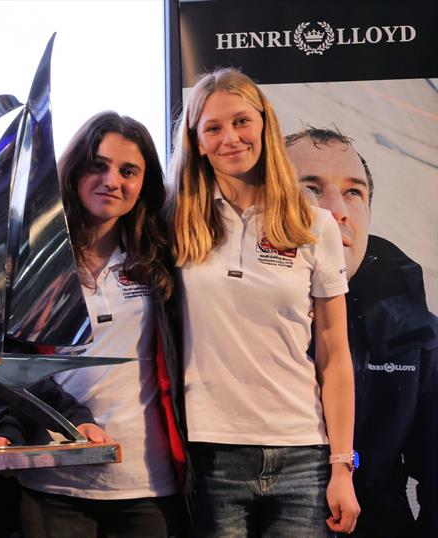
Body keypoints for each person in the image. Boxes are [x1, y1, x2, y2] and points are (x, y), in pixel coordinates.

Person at [167, 67, 360, 536]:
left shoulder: (314, 224)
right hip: (211, 455)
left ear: (264, 125)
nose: (230, 137)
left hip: (302, 453)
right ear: (197, 141)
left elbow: (334, 354)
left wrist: (342, 467)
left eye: (241, 121)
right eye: (213, 127)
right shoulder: (175, 222)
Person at [0, 111, 190, 538]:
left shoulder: (160, 257)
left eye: (128, 171)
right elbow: (0, 365)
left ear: (144, 183)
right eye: (99, 165)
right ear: (75, 171)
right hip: (53, 481)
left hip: (147, 482)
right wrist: (5, 429)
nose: (112, 181)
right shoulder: (29, 260)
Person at [286, 127, 437, 537]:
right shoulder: (221, 319)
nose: (337, 211)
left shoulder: (417, 333)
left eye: (353, 192)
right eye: (311, 188)